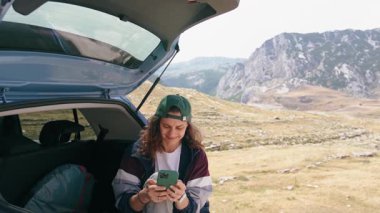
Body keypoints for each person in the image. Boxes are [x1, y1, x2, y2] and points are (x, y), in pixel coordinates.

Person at [112, 94, 212, 213]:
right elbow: (123, 203)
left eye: (179, 127)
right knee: (156, 178)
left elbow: (196, 206)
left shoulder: (196, 155)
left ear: (187, 127)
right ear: (157, 124)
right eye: (166, 126)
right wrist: (144, 196)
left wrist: (181, 198)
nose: (172, 134)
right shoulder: (137, 151)